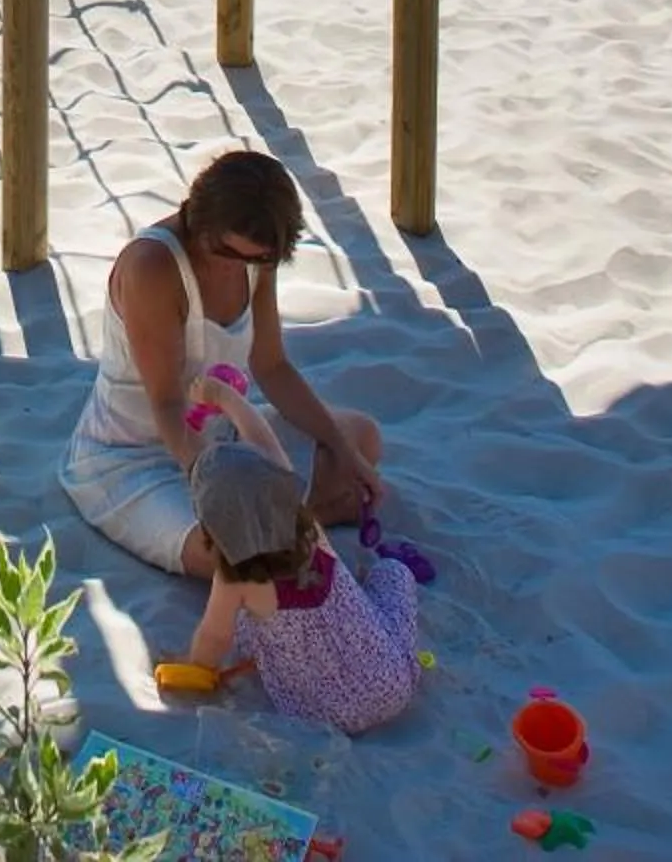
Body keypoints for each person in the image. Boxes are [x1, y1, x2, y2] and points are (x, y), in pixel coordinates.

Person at [60, 148, 384, 578]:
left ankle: (288, 526)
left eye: (255, 259)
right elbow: (167, 404)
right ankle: (290, 527)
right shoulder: (153, 268)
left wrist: (344, 453)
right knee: (231, 554)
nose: (237, 267)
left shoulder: (256, 257)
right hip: (134, 456)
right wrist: (222, 489)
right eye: (226, 253)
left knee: (361, 438)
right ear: (202, 222)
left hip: (225, 437)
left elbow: (272, 367)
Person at [179, 376, 420, 733]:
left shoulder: (234, 578)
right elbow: (264, 441)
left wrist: (195, 670)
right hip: (391, 686)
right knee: (393, 572)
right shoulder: (301, 518)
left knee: (246, 624)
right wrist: (223, 396)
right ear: (277, 487)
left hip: (320, 716)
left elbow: (214, 639)